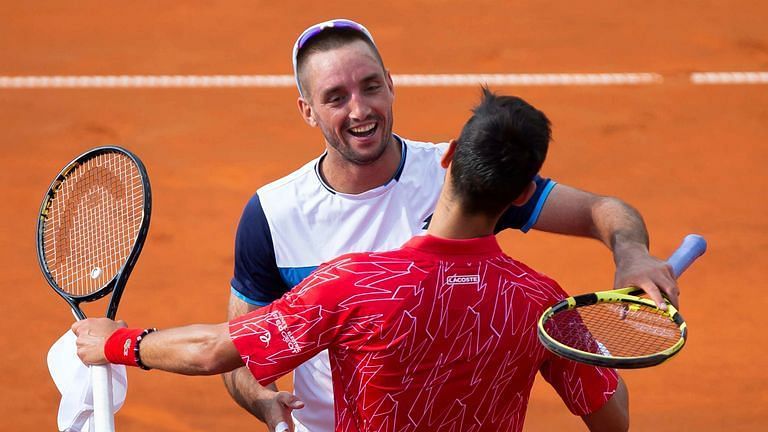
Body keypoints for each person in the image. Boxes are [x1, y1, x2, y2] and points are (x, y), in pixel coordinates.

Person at [73, 89, 629, 431]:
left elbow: (215, 349)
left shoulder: (355, 283)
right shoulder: (543, 304)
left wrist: (118, 343)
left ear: (450, 159)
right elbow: (611, 418)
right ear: (523, 195)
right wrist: (595, 350)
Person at [219, 18, 671, 432]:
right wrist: (262, 401)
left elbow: (602, 210)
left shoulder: (458, 177)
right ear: (308, 110)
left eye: (370, 87)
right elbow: (239, 353)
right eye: (336, 97)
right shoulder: (272, 215)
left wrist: (631, 253)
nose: (360, 110)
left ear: (391, 86)